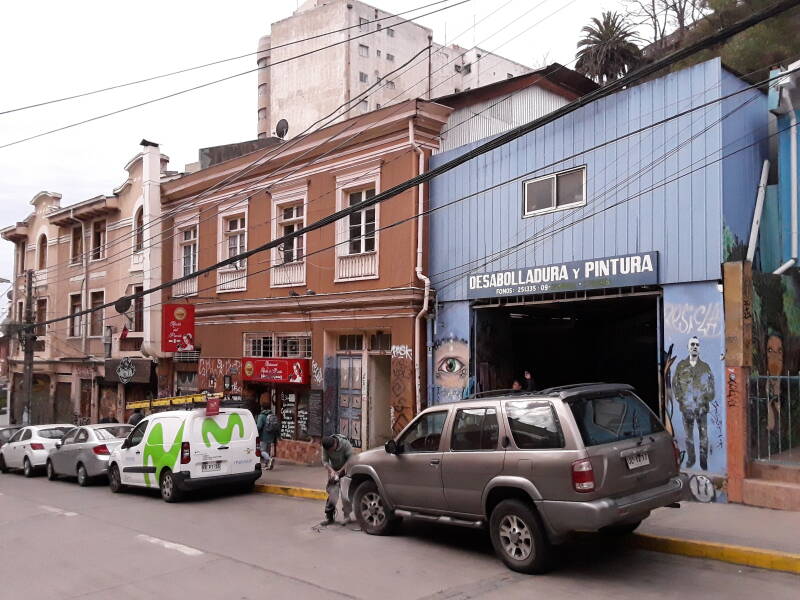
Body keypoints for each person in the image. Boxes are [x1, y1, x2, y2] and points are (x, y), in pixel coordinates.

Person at [672, 336, 715, 470]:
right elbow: (675, 384)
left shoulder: (705, 367)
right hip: (687, 408)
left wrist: (705, 398)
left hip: (702, 408)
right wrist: (681, 399)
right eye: (692, 344)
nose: (694, 347)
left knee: (703, 436)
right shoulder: (681, 366)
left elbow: (711, 386)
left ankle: (703, 460)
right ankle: (691, 459)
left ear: (699, 348)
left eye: (697, 344)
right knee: (688, 436)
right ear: (688, 347)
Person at [321, 434, 353, 525]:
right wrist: (332, 471)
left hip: (346, 469)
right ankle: (329, 517)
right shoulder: (325, 446)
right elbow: (325, 461)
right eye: (329, 451)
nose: (330, 452)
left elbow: (351, 459)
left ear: (335, 443)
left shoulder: (345, 444)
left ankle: (347, 516)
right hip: (333, 471)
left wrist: (340, 471)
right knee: (332, 493)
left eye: (331, 450)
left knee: (345, 494)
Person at [256, 405, 280, 470]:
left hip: (263, 436)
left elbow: (259, 426)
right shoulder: (272, 415)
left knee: (262, 451)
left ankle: (269, 459)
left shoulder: (261, 416)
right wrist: (278, 436)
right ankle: (267, 465)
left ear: (262, 408)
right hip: (271, 436)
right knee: (267, 451)